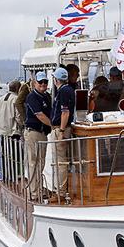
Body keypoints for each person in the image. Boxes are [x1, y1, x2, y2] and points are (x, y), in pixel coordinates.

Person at [24, 72, 52, 200]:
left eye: (45, 82)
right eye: (40, 82)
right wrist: (54, 125)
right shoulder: (31, 97)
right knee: (33, 162)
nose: (43, 84)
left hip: (43, 133)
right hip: (33, 132)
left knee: (41, 163)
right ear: (35, 83)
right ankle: (34, 192)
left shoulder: (47, 97)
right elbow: (39, 115)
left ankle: (39, 189)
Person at [51, 67, 75, 197]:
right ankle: (60, 189)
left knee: (60, 161)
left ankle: (60, 191)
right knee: (60, 160)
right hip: (62, 128)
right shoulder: (68, 90)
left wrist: (60, 130)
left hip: (61, 129)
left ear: (56, 80)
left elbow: (65, 112)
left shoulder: (64, 91)